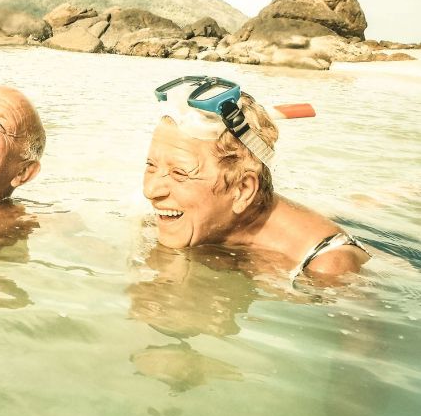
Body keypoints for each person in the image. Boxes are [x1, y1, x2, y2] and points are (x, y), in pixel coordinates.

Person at [143, 75, 371, 281]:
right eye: (151, 165)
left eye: (180, 173)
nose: (151, 190)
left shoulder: (328, 268)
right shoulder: (185, 218)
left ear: (242, 189)